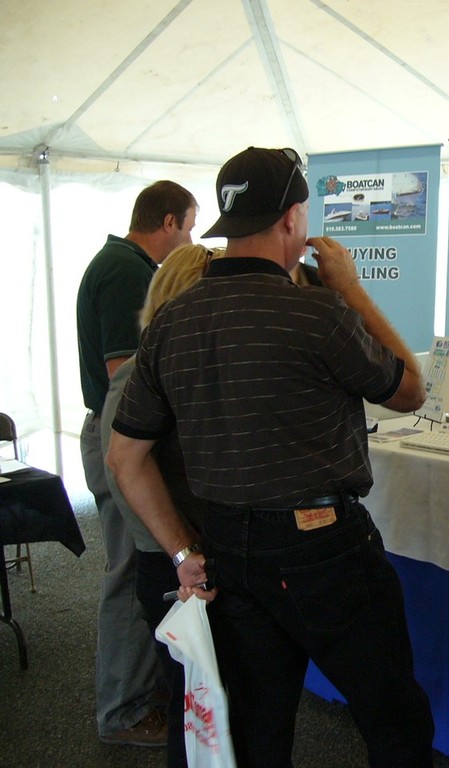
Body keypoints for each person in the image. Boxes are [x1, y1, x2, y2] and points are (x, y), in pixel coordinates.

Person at [106, 147, 435, 767]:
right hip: (326, 549)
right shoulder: (318, 313)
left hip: (226, 550)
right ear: (292, 220)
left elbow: (125, 459)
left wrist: (181, 552)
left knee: (257, 734)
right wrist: (352, 290)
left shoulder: (173, 321)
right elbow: (411, 390)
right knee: (394, 719)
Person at [76, 179, 198, 747]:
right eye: (190, 227)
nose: (190, 239)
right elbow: (126, 378)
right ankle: (124, 712)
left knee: (134, 569)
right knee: (133, 572)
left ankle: (137, 696)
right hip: (120, 441)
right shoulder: (127, 269)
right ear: (169, 222)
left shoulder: (112, 261)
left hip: (111, 435)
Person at [100, 243, 218, 768]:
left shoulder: (182, 360)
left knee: (207, 704)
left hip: (187, 560)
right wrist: (180, 551)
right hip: (174, 566)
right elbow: (124, 469)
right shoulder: (143, 371)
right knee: (195, 706)